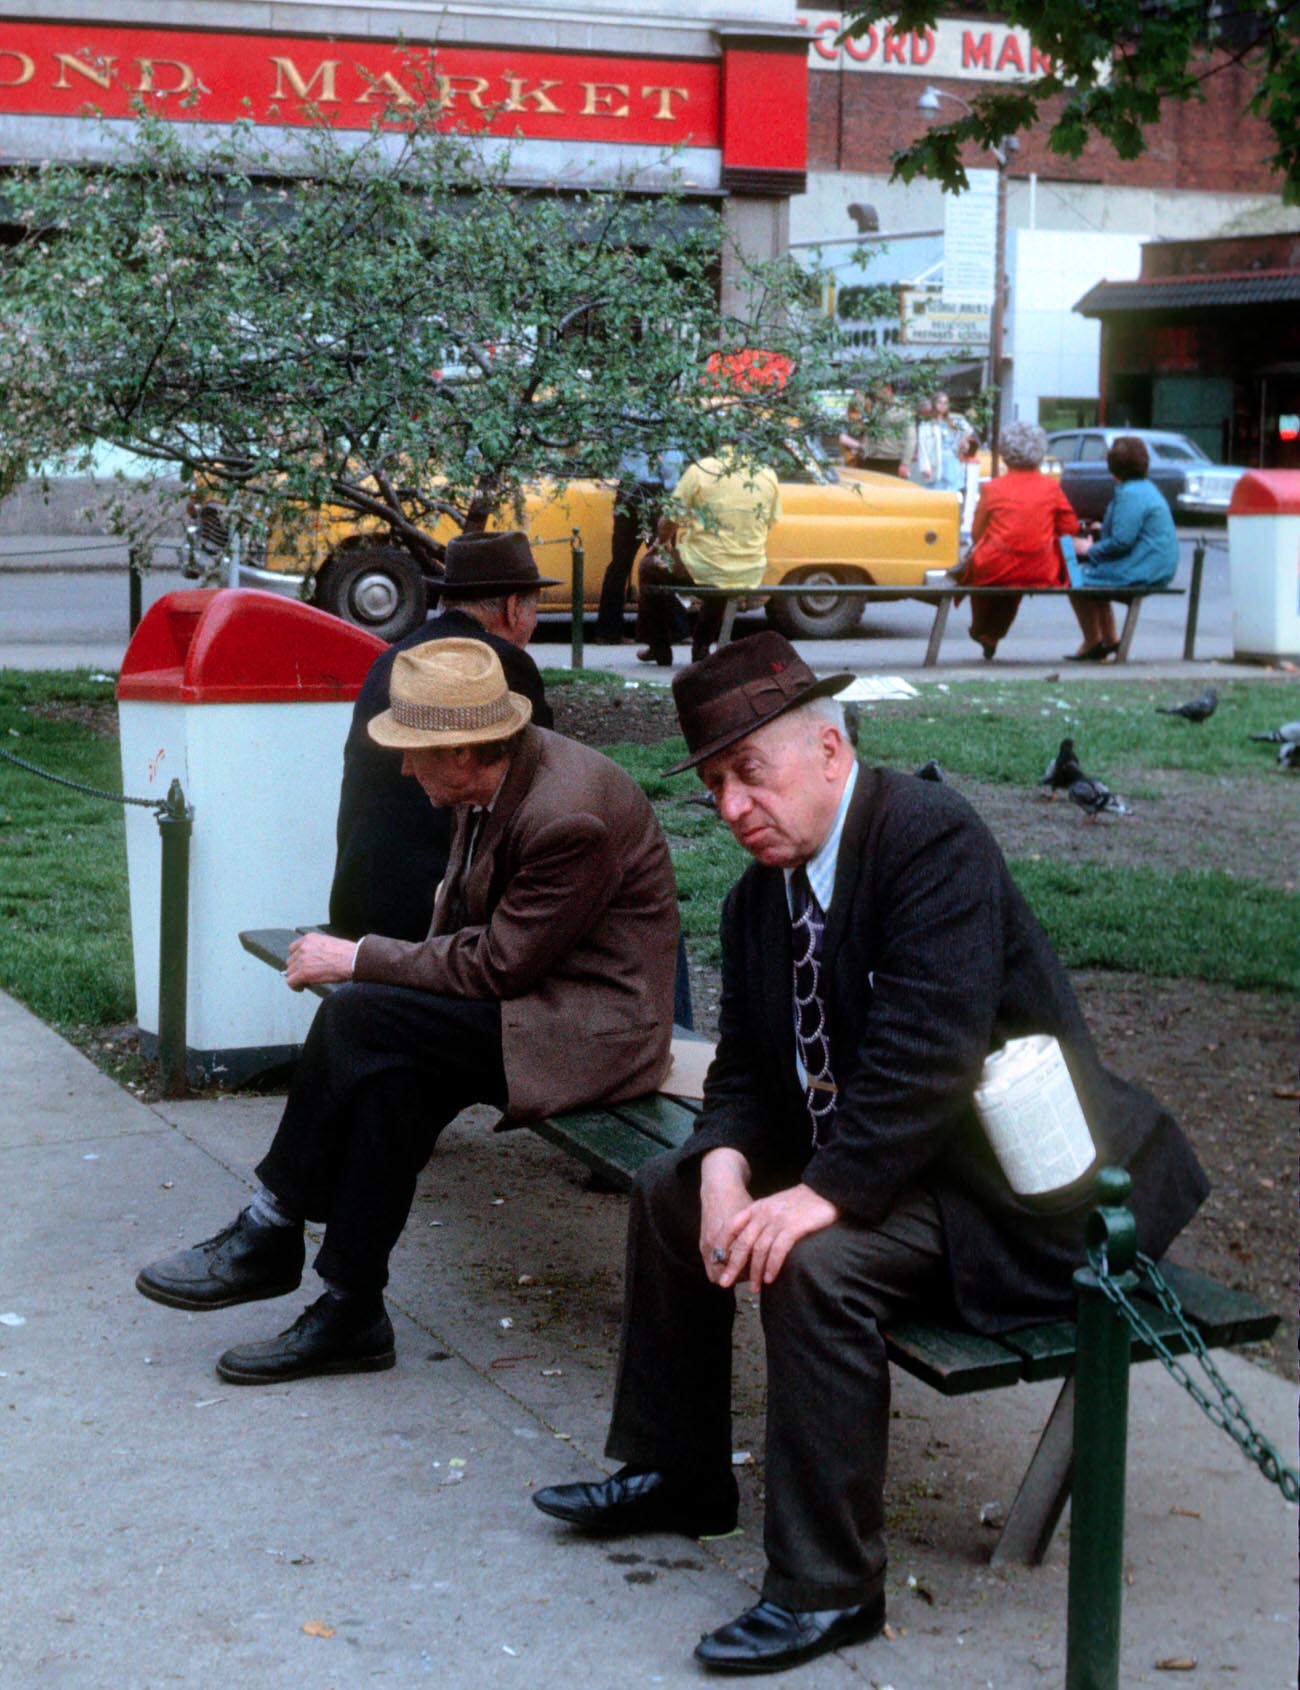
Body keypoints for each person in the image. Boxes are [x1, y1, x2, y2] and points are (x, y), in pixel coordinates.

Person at [532, 633, 1209, 1676]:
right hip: (901, 1155)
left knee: (817, 1263)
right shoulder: (758, 898)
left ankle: (827, 1588)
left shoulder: (930, 838)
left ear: (829, 750)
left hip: (1019, 1187)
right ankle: (681, 1473)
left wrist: (818, 1196)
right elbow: (751, 1073)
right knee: (673, 1188)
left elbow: (928, 1055)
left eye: (748, 773)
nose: (729, 806)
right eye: (713, 783)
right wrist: (720, 1163)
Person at [136, 639, 680, 1385]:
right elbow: (462, 921)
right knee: (392, 1075)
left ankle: (272, 1227)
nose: (401, 767)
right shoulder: (495, 774)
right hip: (532, 1004)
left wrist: (362, 958)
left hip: (589, 1032)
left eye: (414, 752)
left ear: (461, 753)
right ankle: (350, 1308)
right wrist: (395, 975)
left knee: (360, 1017)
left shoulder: (566, 816)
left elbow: (498, 965)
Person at [330, 530, 558, 944]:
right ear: (513, 608)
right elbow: (542, 795)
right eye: (534, 609)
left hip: (357, 904)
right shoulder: (502, 664)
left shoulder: (391, 659)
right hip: (431, 920)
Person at [636, 449, 782, 666]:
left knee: (648, 568)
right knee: (720, 576)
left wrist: (661, 542)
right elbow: (771, 521)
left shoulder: (701, 470)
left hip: (706, 564)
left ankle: (660, 648)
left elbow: (670, 519)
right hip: (749, 568)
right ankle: (701, 649)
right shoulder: (766, 474)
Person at [963, 421, 1079, 659]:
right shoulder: (1051, 488)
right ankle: (994, 633)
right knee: (1017, 580)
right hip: (1040, 567)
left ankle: (980, 629)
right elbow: (1070, 526)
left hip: (995, 564)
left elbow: (976, 533)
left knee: (983, 571)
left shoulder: (993, 488)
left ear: (1005, 454)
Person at [1066, 436, 1181, 661]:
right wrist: (1102, 528)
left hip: (1144, 569)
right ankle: (1109, 640)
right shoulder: (1143, 489)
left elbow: (1121, 542)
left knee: (1076, 579)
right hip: (1154, 564)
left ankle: (1093, 641)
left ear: (1112, 466)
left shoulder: (1130, 494)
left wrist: (1087, 549)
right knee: (1094, 576)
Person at [594, 442, 686, 645]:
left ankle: (608, 630)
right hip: (655, 491)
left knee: (620, 563)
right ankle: (676, 628)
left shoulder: (625, 415)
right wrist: (671, 490)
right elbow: (671, 462)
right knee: (664, 562)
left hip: (628, 491)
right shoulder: (665, 417)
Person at [839, 381, 915, 477]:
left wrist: (905, 464)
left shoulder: (903, 411)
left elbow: (910, 439)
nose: (875, 395)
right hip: (870, 460)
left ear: (888, 389)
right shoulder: (874, 409)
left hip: (891, 461)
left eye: (877, 391)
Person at [932, 390, 974, 494]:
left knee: (952, 490)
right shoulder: (929, 422)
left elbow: (968, 429)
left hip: (950, 460)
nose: (942, 405)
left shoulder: (950, 422)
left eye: (945, 403)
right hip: (935, 459)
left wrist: (963, 441)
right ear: (934, 404)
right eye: (939, 402)